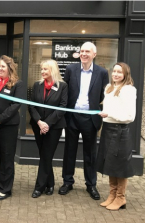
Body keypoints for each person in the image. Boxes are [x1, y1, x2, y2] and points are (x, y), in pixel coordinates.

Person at [59, 42, 109, 200]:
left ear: (94, 54)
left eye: (87, 51)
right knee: (69, 151)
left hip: (90, 118)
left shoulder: (102, 72)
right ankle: (68, 182)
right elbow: (65, 91)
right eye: (82, 51)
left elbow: (104, 95)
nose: (84, 54)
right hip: (72, 117)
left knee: (90, 153)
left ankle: (91, 184)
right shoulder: (70, 69)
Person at [0, 55, 26, 201]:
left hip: (8, 125)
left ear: (10, 68)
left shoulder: (17, 84)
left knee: (7, 156)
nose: (0, 69)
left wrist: (0, 118)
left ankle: (6, 189)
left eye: (3, 66)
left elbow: (16, 105)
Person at [96, 62, 136, 211]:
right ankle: (112, 195)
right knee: (109, 163)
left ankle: (121, 197)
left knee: (120, 165)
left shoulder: (129, 90)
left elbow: (130, 116)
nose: (116, 74)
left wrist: (109, 114)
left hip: (120, 131)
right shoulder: (109, 88)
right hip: (108, 128)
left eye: (120, 72)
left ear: (125, 74)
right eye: (114, 71)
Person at [28, 59, 68, 198]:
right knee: (45, 155)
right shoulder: (37, 85)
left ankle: (39, 187)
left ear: (53, 70)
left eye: (45, 69)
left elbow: (62, 107)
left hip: (54, 127)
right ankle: (50, 183)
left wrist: (47, 124)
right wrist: (39, 121)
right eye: (42, 69)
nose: (43, 71)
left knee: (46, 155)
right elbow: (31, 105)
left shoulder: (62, 86)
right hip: (38, 125)